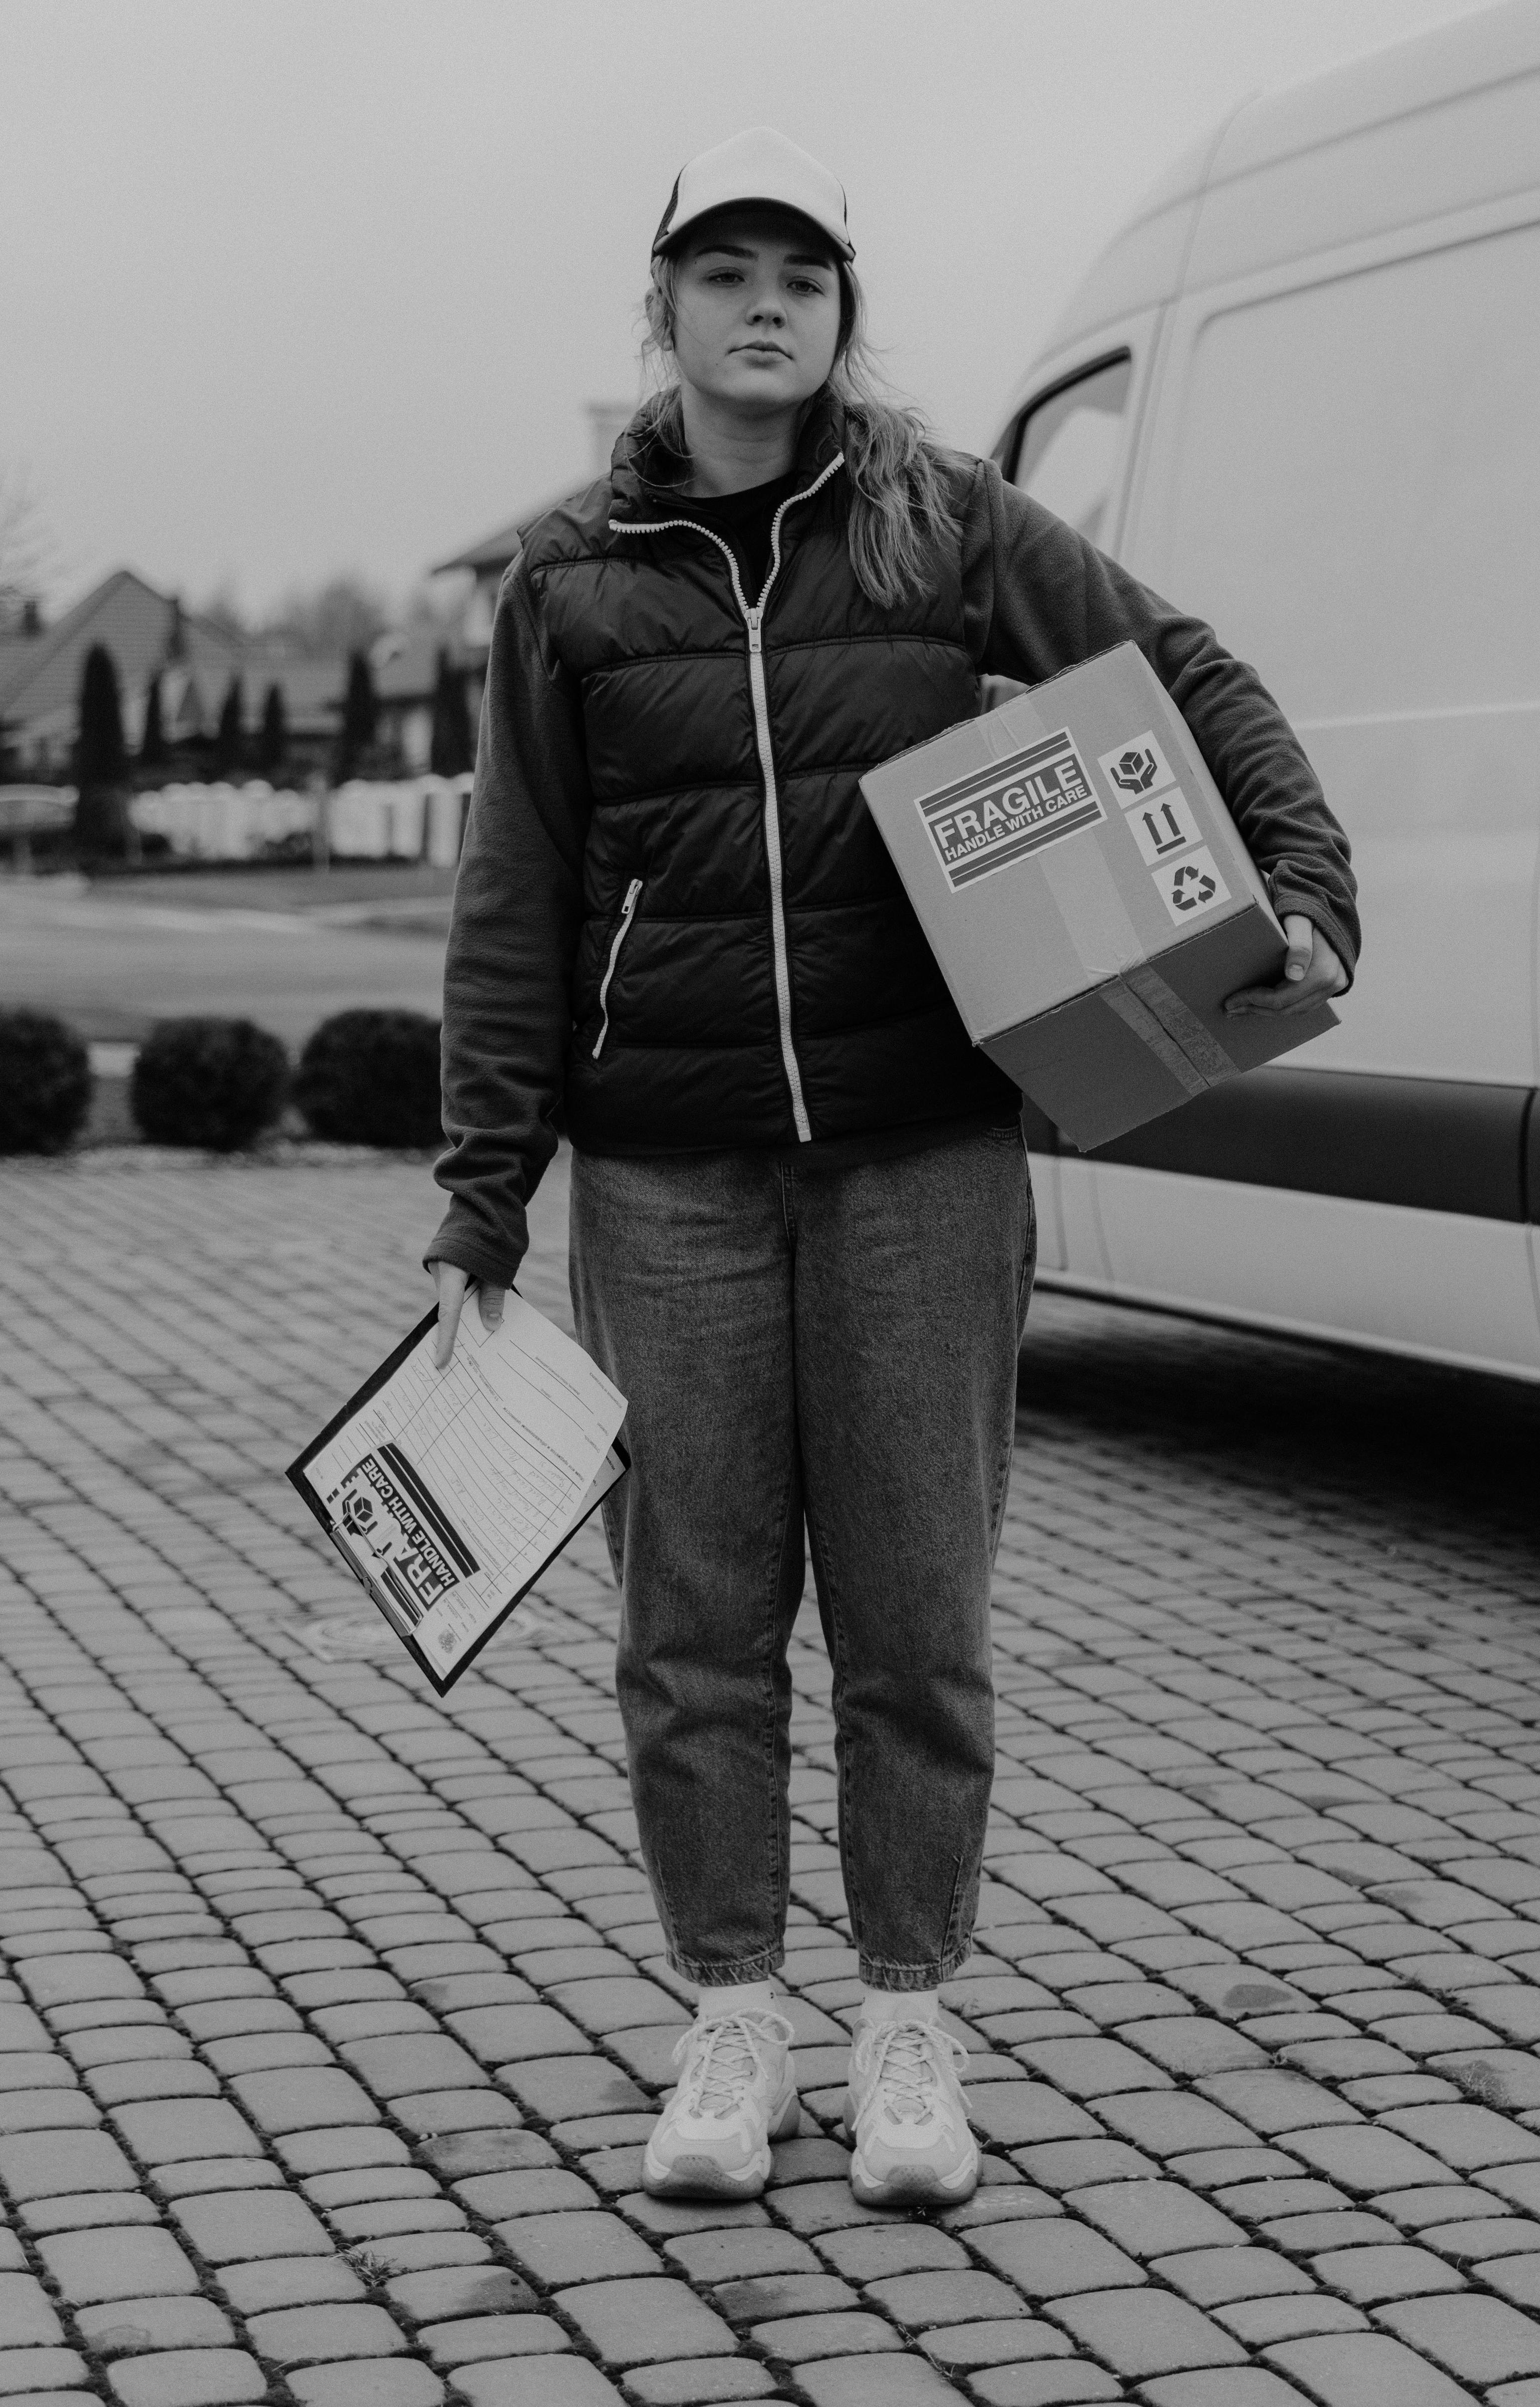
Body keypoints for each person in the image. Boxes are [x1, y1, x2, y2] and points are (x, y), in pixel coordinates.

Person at [426, 125, 1358, 2209]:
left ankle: (908, 2019)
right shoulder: (569, 583)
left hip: (918, 1162)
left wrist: (1297, 875)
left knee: (916, 1620)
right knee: (693, 1622)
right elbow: (515, 892)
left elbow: (1184, 673)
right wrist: (484, 1187)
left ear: (843, 318)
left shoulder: (945, 530)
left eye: (805, 279)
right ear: (658, 311)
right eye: (724, 274)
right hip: (662, 1176)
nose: (766, 307)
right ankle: (732, 2016)